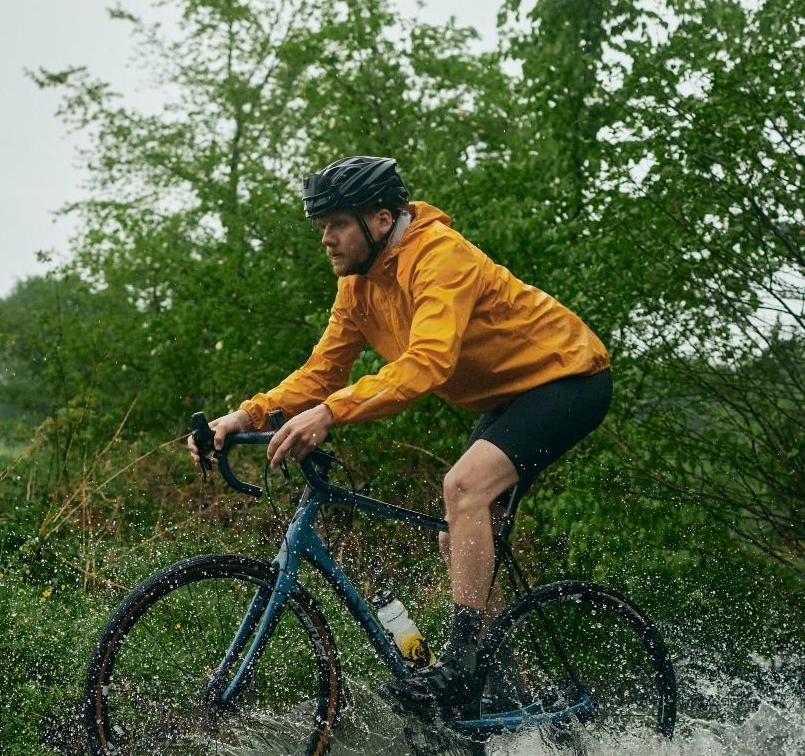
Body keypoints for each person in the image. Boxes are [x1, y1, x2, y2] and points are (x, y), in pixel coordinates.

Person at [189, 156, 611, 715]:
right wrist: (245, 417)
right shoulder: (358, 285)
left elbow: (428, 363)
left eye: (336, 224)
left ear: (381, 220)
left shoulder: (441, 259)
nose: (327, 240)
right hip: (511, 397)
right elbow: (322, 372)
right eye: (322, 227)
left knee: (463, 488)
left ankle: (460, 668)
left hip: (569, 378)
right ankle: (509, 687)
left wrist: (330, 414)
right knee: (456, 536)